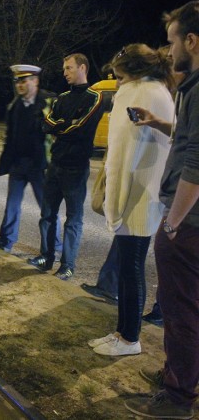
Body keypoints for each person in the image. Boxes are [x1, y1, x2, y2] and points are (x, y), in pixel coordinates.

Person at [125, 1, 199, 419]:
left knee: (181, 310)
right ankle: (183, 375)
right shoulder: (192, 87)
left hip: (188, 223)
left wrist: (172, 223)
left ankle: (177, 398)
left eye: (172, 42)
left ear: (191, 40)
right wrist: (157, 122)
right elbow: (188, 137)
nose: (168, 52)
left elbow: (196, 162)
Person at [87, 43, 174, 357]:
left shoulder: (134, 94)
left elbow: (123, 156)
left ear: (132, 73)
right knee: (130, 267)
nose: (116, 81)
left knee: (131, 268)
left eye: (117, 75)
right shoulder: (158, 89)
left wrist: (115, 205)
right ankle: (123, 333)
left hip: (136, 196)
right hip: (148, 194)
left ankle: (129, 339)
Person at [28, 53, 103, 280]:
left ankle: (67, 265)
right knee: (47, 215)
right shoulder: (61, 98)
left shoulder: (94, 98)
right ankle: (46, 256)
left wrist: (59, 126)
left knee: (73, 219)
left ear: (82, 67)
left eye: (69, 68)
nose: (65, 72)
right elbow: (45, 124)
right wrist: (64, 124)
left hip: (76, 169)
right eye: (64, 68)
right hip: (56, 165)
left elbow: (80, 128)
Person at [0, 65, 62, 254]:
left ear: (35, 81)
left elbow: (59, 133)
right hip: (18, 165)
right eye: (17, 81)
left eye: (24, 80)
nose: (19, 84)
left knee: (47, 209)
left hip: (40, 166)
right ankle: (6, 240)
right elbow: (10, 137)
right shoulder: (15, 105)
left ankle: (54, 246)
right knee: (12, 204)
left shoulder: (49, 103)